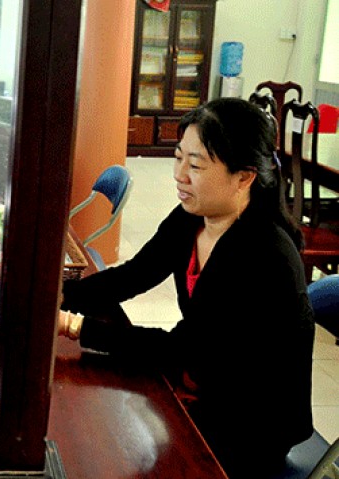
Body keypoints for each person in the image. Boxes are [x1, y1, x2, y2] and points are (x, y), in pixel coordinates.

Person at [59, 98, 314, 478]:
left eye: (195, 165)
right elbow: (135, 274)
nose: (179, 175)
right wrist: (57, 297)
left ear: (244, 177)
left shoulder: (265, 256)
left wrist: (72, 325)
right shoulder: (193, 217)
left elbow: (183, 349)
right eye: (178, 158)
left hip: (250, 426)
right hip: (205, 384)